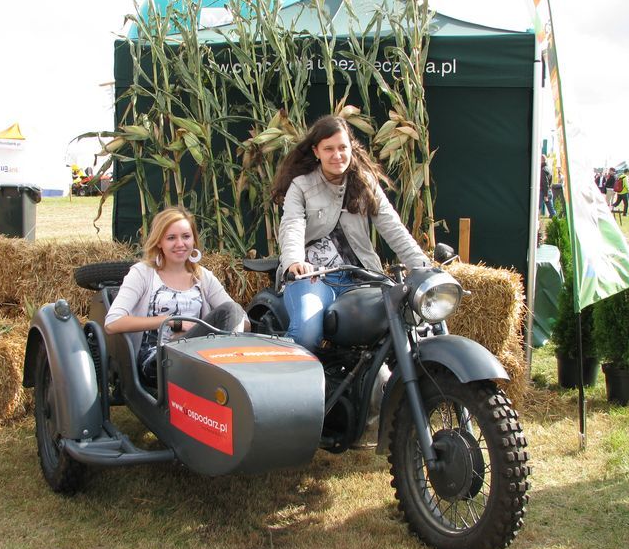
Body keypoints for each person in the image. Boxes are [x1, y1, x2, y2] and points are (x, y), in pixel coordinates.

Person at [273, 115, 428, 352]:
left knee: (404, 322)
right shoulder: (302, 186)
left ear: (351, 148)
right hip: (314, 278)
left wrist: (423, 266)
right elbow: (291, 224)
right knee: (307, 332)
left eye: (342, 147)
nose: (337, 155)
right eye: (329, 149)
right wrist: (294, 261)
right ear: (316, 152)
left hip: (362, 278)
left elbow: (393, 227)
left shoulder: (365, 183)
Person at [104, 206, 248, 382]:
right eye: (171, 238)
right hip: (157, 360)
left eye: (186, 237)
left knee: (232, 309)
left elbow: (242, 321)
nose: (180, 244)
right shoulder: (143, 273)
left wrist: (200, 329)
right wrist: (174, 322)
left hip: (198, 355)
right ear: (159, 242)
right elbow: (112, 322)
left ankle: (230, 371)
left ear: (194, 240)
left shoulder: (202, 276)